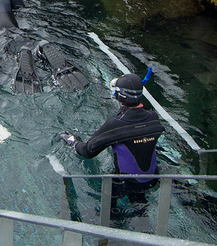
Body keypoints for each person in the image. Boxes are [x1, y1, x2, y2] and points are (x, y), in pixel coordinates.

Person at [59, 73, 165, 211]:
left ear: (121, 97)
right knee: (140, 203)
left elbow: (88, 152)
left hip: (124, 185)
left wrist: (74, 142)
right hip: (151, 181)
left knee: (108, 211)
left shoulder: (115, 125)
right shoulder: (153, 118)